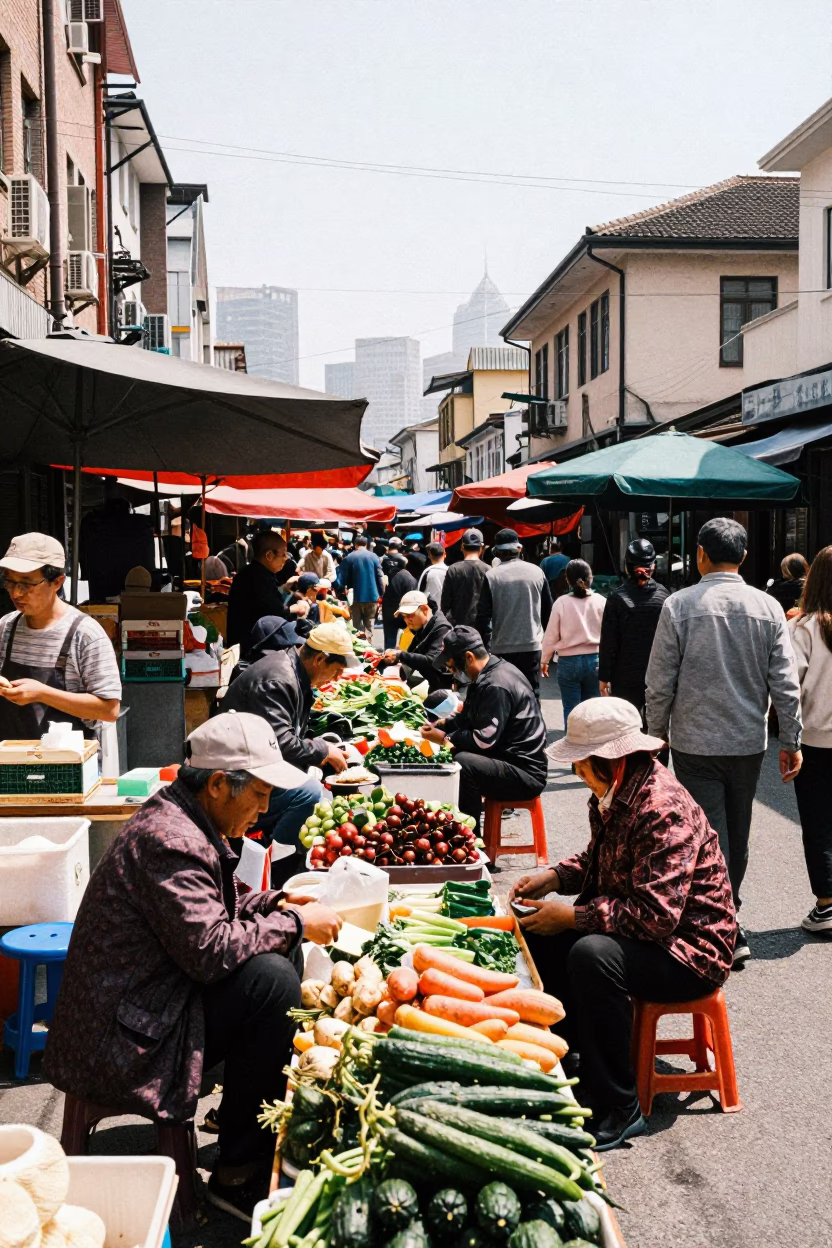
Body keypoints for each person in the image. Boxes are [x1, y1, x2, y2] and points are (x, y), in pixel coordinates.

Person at [43, 713, 342, 1220]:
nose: (266, 810)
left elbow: (211, 908)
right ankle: (239, 1173)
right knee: (271, 983)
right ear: (221, 784)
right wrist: (293, 921)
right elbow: (210, 951)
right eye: (261, 796)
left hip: (146, 998)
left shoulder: (188, 815)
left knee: (274, 953)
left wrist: (276, 902)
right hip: (122, 1034)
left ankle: (240, 1116)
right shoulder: (171, 839)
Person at [511, 698, 735, 1151]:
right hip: (651, 930)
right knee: (539, 932)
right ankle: (576, 1056)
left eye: (580, 763)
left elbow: (655, 917)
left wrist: (573, 915)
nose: (575, 772)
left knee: (592, 954)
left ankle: (620, 1104)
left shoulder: (662, 808)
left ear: (608, 761)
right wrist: (554, 878)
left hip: (690, 950)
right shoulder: (616, 792)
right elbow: (600, 860)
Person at [646, 517, 802, 965]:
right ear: (745, 557)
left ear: (699, 554)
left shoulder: (678, 605)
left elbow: (660, 683)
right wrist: (791, 739)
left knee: (707, 834)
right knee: (737, 830)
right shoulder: (768, 607)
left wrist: (657, 738)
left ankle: (723, 926)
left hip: (695, 740)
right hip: (748, 740)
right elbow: (785, 683)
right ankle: (729, 916)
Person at [220, 623, 357, 876]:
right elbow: (279, 742)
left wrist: (324, 748)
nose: (338, 678)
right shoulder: (278, 680)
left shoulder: (292, 671)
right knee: (310, 793)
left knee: (323, 791)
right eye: (337, 671)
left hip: (254, 765)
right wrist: (322, 750)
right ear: (319, 659)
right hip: (235, 777)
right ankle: (277, 869)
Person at [421, 626, 548, 824]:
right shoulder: (487, 674)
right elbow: (468, 719)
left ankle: (470, 841)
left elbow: (483, 740)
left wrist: (444, 738)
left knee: (463, 763)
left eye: (453, 666)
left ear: (469, 657)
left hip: (525, 773)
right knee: (457, 757)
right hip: (506, 758)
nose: (453, 673)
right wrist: (443, 724)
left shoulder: (496, 685)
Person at [0, 533, 121, 736]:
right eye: (10, 582)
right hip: (11, 760)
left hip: (67, 762)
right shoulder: (6, 627)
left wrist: (42, 694)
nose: (16, 593)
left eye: (26, 584)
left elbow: (110, 710)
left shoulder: (85, 635)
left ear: (57, 582)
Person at [788, 546, 832, 933]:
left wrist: (788, 736)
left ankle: (827, 904)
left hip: (817, 741)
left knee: (818, 822)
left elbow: (790, 688)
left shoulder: (803, 628)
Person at [477, 528, 553, 699]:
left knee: (505, 695)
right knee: (532, 694)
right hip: (532, 646)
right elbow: (549, 612)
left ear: (497, 552)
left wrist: (485, 647)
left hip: (501, 648)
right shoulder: (537, 572)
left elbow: (483, 617)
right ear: (519, 549)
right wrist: (549, 647)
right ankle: (534, 724)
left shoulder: (491, 576)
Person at [598, 539, 669, 714]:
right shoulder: (665, 596)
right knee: (656, 733)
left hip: (624, 676)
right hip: (657, 675)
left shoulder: (616, 598)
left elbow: (609, 642)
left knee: (627, 729)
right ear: (653, 566)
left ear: (627, 566)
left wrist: (604, 677)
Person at [541, 559, 605, 725]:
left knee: (571, 710)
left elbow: (551, 635)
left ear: (567, 580)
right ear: (590, 578)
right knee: (592, 711)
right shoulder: (601, 601)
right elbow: (608, 635)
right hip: (595, 661)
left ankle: (572, 748)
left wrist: (544, 659)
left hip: (568, 662)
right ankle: (591, 748)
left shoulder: (561, 603)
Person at [226, 530, 309, 656]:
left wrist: (285, 590)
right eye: (283, 554)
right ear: (269, 555)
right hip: (250, 649)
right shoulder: (256, 577)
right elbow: (274, 611)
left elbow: (268, 601)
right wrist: (296, 608)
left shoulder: (257, 573)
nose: (286, 558)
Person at [382, 590, 452, 693]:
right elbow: (413, 653)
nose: (406, 620)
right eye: (404, 616)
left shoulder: (442, 628)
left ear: (424, 609)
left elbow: (433, 660)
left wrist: (400, 655)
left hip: (440, 688)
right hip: (429, 683)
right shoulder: (423, 626)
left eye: (410, 615)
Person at [337, 534, 384, 639]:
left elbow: (342, 577)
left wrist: (340, 590)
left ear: (355, 545)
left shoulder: (349, 557)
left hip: (355, 597)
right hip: (372, 597)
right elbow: (380, 577)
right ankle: (369, 648)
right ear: (366, 544)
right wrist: (382, 594)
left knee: (356, 627)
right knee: (370, 625)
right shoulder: (374, 556)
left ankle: (359, 648)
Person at [441, 528, 488, 626]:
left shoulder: (453, 569)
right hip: (482, 629)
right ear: (482, 548)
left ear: (462, 546)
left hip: (458, 628)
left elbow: (445, 603)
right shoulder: (489, 570)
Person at [381, 552, 417, 651]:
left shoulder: (391, 575)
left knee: (390, 640)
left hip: (389, 612)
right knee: (408, 638)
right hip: (404, 613)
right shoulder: (409, 578)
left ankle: (389, 657)